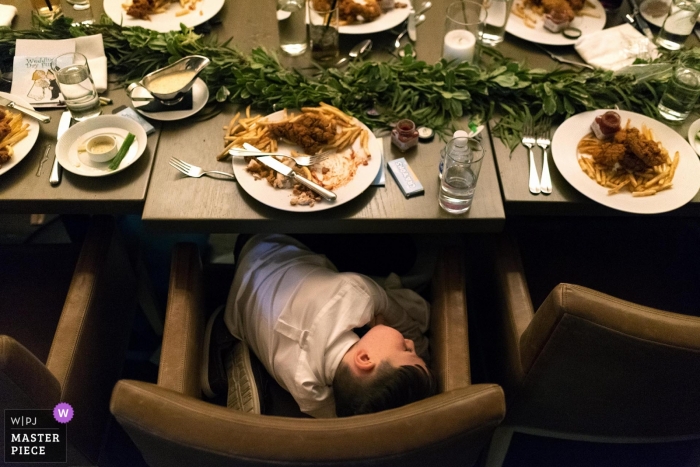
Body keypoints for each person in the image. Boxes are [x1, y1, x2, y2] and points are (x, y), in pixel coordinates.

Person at [219, 233, 436, 418]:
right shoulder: (304, 387)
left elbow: (403, 322)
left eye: (406, 349)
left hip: (265, 238)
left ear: (365, 358)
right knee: (402, 253)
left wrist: (413, 347)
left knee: (403, 250)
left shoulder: (355, 295)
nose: (409, 342)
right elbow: (342, 416)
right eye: (409, 348)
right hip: (242, 285)